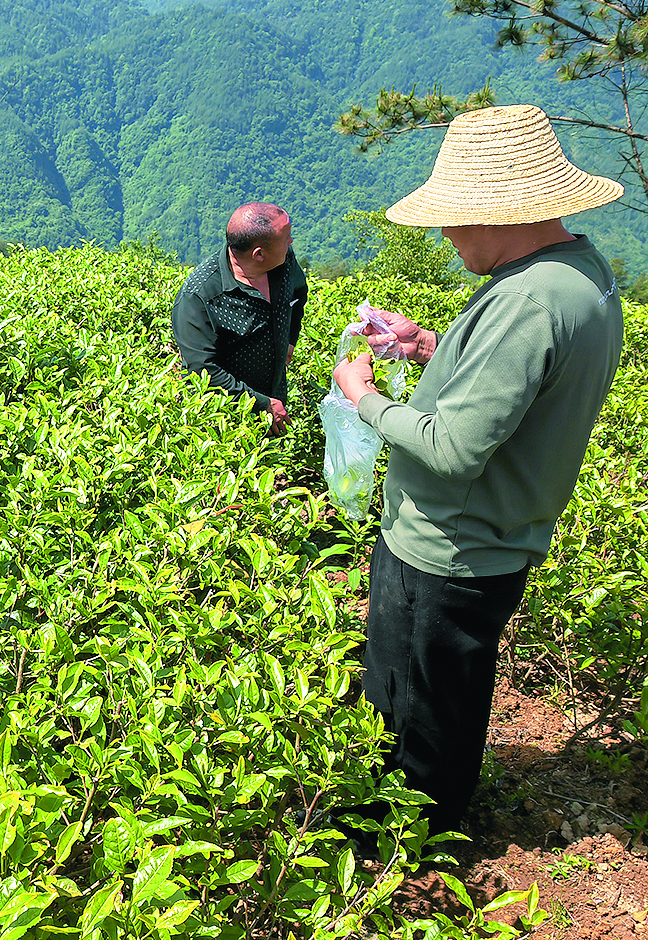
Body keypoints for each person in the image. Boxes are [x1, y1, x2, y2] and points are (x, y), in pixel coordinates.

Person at [332, 104, 624, 835]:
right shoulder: (575, 271)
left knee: (415, 706)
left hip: (447, 545)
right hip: (492, 533)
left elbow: (456, 448)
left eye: (453, 218)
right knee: (447, 694)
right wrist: (428, 343)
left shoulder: (525, 298)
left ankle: (410, 843)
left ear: (499, 213)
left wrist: (363, 399)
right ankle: (428, 812)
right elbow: (515, 386)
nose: (444, 234)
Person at [172, 202, 308, 434]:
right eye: (287, 238)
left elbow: (298, 293)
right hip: (226, 422)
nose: (291, 242)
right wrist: (262, 404)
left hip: (276, 403)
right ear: (259, 254)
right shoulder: (200, 297)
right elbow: (202, 370)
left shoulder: (283, 261)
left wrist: (290, 340)